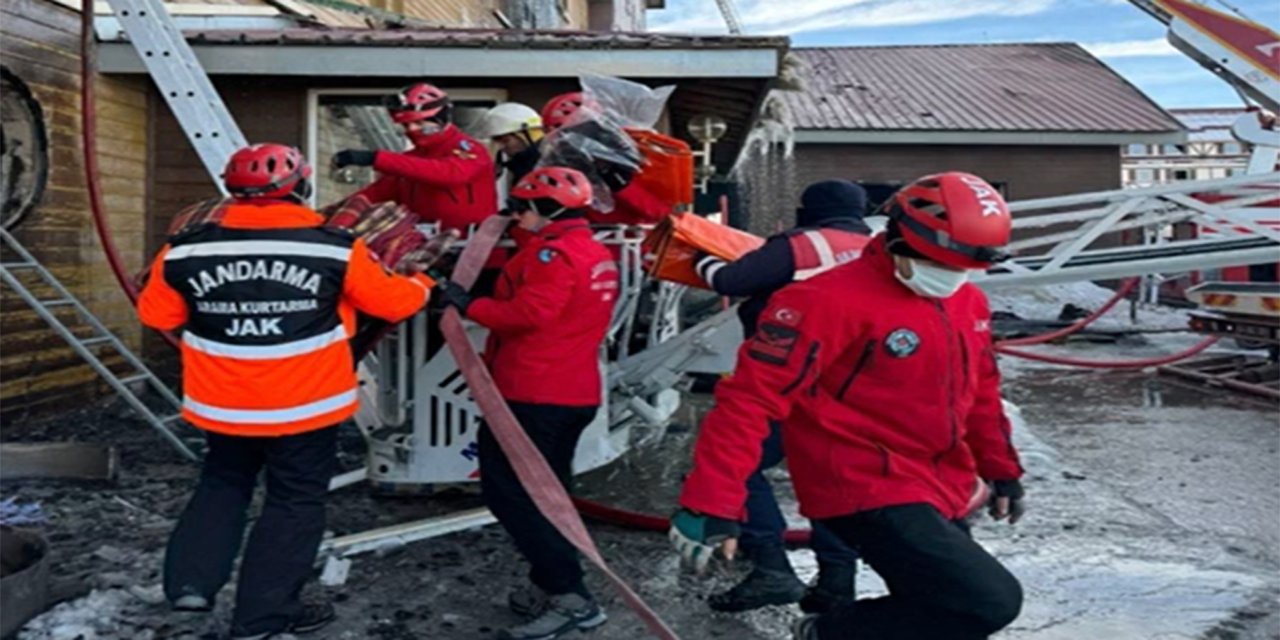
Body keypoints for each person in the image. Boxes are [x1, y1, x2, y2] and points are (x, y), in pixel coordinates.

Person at [670, 172, 1027, 640]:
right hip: (863, 483)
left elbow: (980, 390)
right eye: (940, 262)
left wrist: (1001, 468)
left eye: (962, 266)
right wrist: (713, 501)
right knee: (987, 601)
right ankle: (824, 633)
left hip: (940, 481)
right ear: (897, 235)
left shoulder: (966, 302)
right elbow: (748, 403)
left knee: (937, 611)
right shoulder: (820, 302)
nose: (950, 276)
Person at [138, 143, 434, 640]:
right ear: (299, 188)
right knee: (293, 502)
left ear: (232, 190)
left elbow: (157, 315)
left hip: (224, 404)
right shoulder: (333, 245)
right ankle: (262, 616)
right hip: (307, 405)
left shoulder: (186, 248)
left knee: (222, 486)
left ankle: (191, 584)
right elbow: (393, 301)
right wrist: (423, 281)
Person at [432, 167, 620, 640]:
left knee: (511, 494)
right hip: (573, 391)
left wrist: (465, 303)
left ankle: (570, 595)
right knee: (550, 494)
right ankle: (550, 581)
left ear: (548, 209)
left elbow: (528, 314)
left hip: (533, 393)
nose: (517, 216)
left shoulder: (552, 255)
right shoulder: (594, 250)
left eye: (522, 207)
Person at [690, 180, 871, 614]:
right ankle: (836, 581)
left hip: (790, 376)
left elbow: (733, 279)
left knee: (742, 462)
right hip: (851, 383)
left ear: (810, 209)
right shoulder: (873, 247)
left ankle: (771, 566)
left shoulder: (803, 244)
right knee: (830, 476)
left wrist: (698, 259)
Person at [333, 83, 498, 233]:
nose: (411, 129)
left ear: (440, 120)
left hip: (472, 251)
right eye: (405, 125)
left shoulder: (470, 149)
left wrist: (376, 158)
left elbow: (450, 173)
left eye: (419, 123)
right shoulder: (409, 161)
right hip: (423, 248)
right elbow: (373, 195)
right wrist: (327, 218)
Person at [540, 92, 670, 226]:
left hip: (635, 239)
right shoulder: (561, 162)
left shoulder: (637, 158)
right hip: (590, 236)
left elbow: (663, 215)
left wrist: (621, 185)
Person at [480, 102, 545, 188]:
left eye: (505, 141)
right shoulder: (520, 166)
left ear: (525, 135)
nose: (501, 147)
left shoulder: (547, 166)